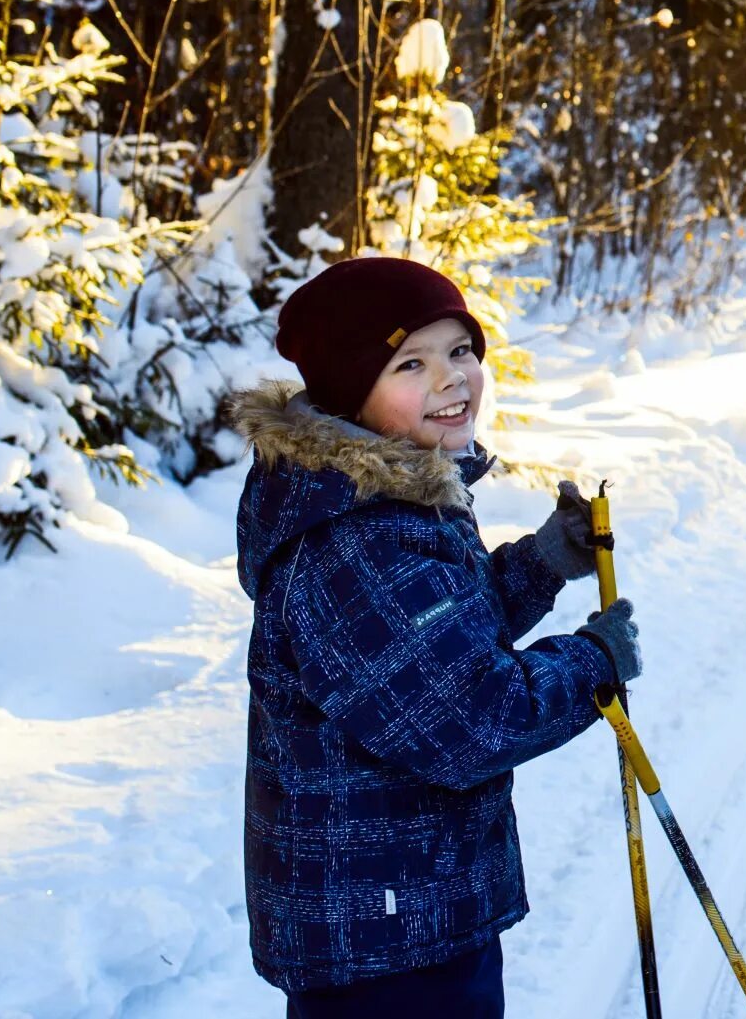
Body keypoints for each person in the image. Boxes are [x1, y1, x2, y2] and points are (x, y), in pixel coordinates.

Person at [228, 257, 645, 1018]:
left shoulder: (388, 494)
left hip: (399, 910)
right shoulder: (352, 541)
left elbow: (432, 642)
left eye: (460, 350)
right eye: (410, 362)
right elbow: (471, 716)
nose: (452, 378)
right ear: (354, 390)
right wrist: (594, 662)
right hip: (384, 945)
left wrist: (542, 563)